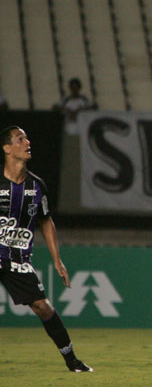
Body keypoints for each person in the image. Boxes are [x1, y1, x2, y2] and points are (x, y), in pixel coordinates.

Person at [0, 125, 92, 372]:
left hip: (16, 258)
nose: (27, 142)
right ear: (7, 148)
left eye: (27, 138)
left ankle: (72, 361)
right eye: (20, 139)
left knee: (43, 306)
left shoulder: (37, 185)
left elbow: (46, 221)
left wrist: (57, 260)